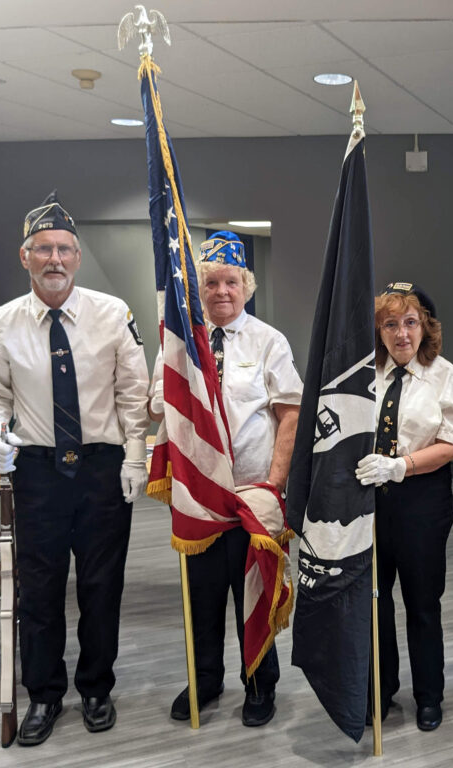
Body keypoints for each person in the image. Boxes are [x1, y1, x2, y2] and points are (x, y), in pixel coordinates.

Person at [0, 191, 149, 746]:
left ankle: (96, 687)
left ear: (77, 256)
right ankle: (44, 696)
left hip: (101, 470)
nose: (55, 259)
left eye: (64, 249)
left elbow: (132, 392)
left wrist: (136, 454)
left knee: (102, 586)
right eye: (43, 249)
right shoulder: (1, 324)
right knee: (39, 591)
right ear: (23, 256)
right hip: (38, 473)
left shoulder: (112, 313)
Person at [149, 231, 302, 728]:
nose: (221, 291)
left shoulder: (267, 340)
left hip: (251, 496)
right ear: (198, 288)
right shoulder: (179, 343)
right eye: (211, 282)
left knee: (253, 592)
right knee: (203, 598)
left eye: (231, 282)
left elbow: (290, 413)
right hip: (199, 497)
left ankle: (260, 683)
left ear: (246, 286)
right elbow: (158, 402)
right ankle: (205, 679)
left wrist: (274, 485)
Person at [354, 282, 453, 732]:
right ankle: (379, 690)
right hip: (369, 504)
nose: (401, 334)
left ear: (425, 328)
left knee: (423, 604)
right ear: (378, 331)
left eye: (410, 322)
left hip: (422, 501)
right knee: (374, 602)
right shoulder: (364, 374)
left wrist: (401, 467)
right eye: (390, 324)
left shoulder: (445, 375)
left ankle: (429, 695)